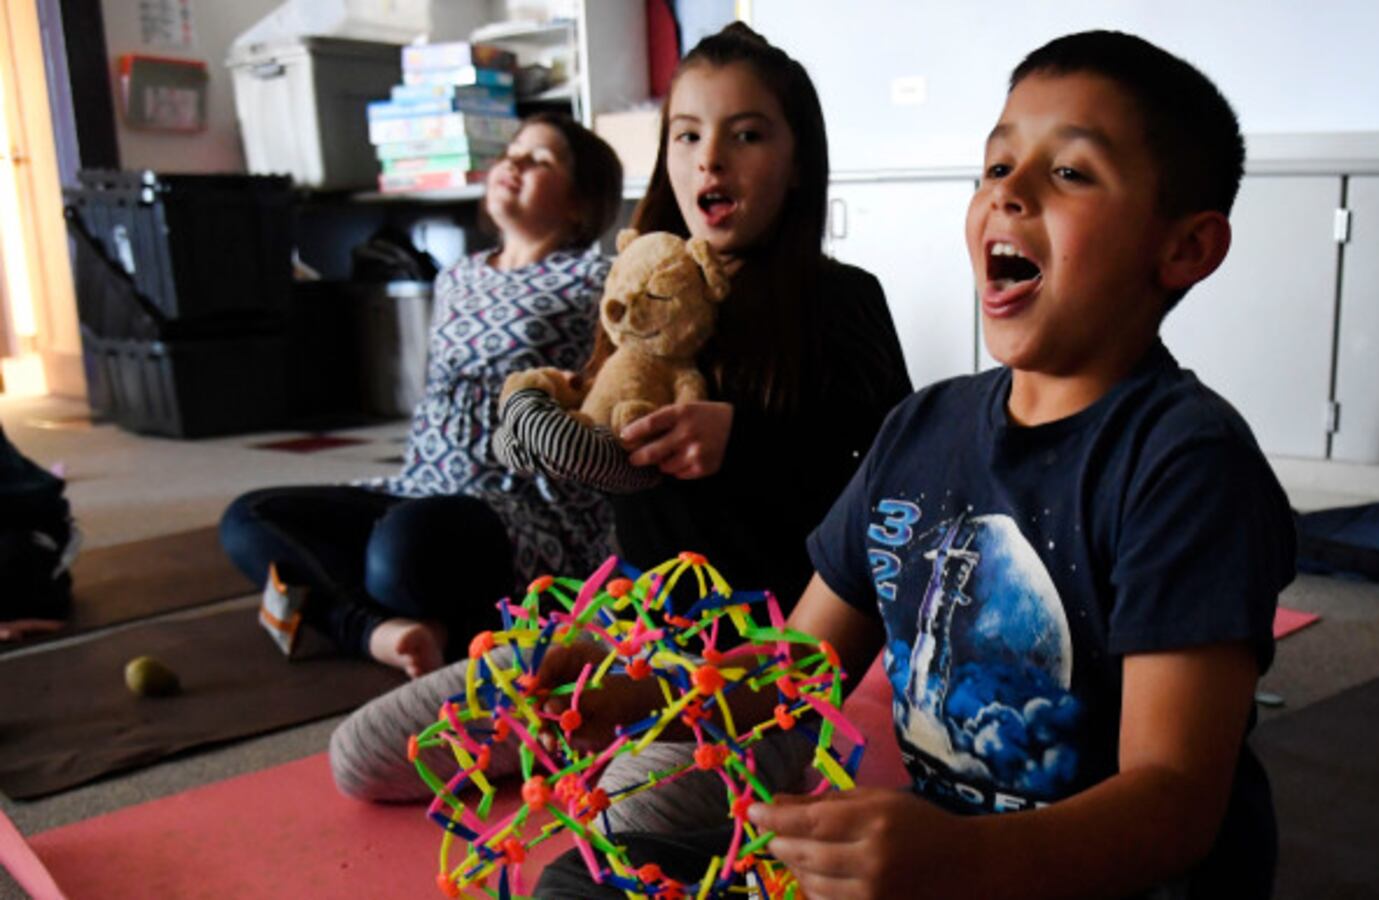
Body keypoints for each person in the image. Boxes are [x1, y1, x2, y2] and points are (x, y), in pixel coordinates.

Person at [537, 30, 1298, 899]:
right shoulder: (921, 432)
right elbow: (793, 672)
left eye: (1071, 173)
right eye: (996, 166)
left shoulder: (1185, 466)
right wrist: (638, 692)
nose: (1007, 194)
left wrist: (962, 861)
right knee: (581, 882)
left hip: (1087, 880)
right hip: (944, 868)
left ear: (1186, 249)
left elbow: (1173, 806)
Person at [327, 22, 913, 834]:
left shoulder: (842, 299)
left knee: (631, 823)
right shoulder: (638, 283)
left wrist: (746, 439)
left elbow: (897, 483)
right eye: (688, 134)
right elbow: (591, 435)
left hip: (758, 666)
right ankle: (597, 730)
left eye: (747, 135)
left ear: (799, 162)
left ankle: (620, 744)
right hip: (623, 636)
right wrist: (548, 416)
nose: (710, 159)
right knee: (360, 757)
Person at [220, 114, 623, 678]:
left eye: (541, 161)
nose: (514, 164)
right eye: (512, 152)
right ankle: (378, 631)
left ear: (581, 203)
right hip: (416, 489)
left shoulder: (594, 279)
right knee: (248, 518)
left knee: (400, 554)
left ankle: (377, 604)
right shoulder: (458, 275)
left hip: (517, 511)